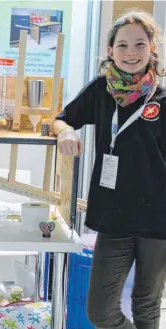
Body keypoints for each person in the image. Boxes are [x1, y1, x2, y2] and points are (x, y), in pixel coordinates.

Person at [53, 11, 166, 329]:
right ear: (110, 51)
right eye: (123, 45)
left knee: (147, 306)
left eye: (139, 44)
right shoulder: (101, 91)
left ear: (151, 48)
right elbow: (62, 117)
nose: (131, 53)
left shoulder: (162, 98)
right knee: (100, 311)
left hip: (158, 217)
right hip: (114, 215)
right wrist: (65, 131)